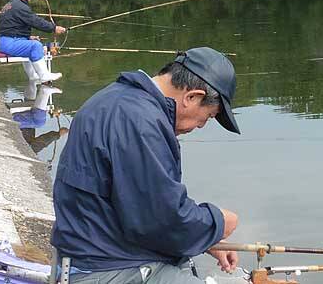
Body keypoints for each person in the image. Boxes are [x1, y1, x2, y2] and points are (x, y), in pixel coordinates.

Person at [51, 47, 242, 283]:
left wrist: (204, 240)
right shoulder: (140, 122)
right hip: (103, 268)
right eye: (209, 116)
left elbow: (139, 210)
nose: (201, 126)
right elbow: (160, 220)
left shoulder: (119, 98)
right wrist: (218, 223)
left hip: (98, 250)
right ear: (192, 96)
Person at [0, 0, 66, 83]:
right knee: (36, 46)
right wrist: (54, 28)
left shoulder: (11, 5)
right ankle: (44, 75)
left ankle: (33, 76)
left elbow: (10, 27)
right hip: (9, 43)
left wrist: (27, 37)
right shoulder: (20, 7)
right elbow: (35, 21)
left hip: (6, 41)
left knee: (30, 45)